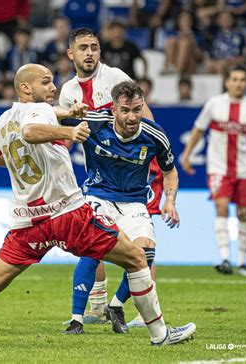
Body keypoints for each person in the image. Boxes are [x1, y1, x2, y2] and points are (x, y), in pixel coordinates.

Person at [0, 63, 196, 346]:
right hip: (67, 215)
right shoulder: (39, 112)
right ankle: (160, 334)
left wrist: (17, 159)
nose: (53, 87)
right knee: (137, 259)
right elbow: (31, 130)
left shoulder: (4, 120)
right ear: (25, 88)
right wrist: (68, 131)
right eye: (46, 82)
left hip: (28, 224)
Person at [59, 27, 163, 326]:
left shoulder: (115, 76)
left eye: (94, 47)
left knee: (144, 245)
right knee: (94, 242)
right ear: (71, 54)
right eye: (83, 48)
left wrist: (153, 160)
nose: (89, 53)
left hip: (135, 173)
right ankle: (99, 307)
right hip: (98, 176)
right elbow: (68, 135)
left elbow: (144, 115)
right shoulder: (68, 91)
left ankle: (146, 313)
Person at [61, 81, 181, 335]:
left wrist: (169, 200)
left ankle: (115, 306)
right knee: (93, 249)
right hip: (97, 196)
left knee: (146, 251)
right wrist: (70, 124)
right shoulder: (95, 122)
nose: (132, 117)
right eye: (125, 110)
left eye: (137, 110)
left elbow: (170, 172)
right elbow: (53, 120)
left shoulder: (155, 135)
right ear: (114, 109)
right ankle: (76, 320)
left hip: (134, 202)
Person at [181, 65, 246, 276]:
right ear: (227, 82)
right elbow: (198, 129)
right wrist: (187, 155)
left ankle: (243, 262)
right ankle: (225, 258)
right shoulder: (214, 104)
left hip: (245, 169)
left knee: (244, 213)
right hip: (218, 168)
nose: (238, 83)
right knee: (221, 206)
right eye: (234, 79)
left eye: (242, 79)